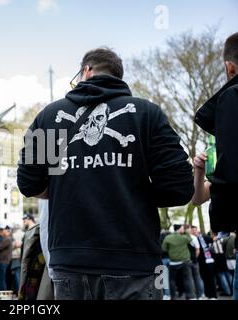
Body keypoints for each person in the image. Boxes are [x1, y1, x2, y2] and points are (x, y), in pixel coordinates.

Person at [17, 48, 194, 300]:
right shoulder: (147, 114)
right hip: (135, 262)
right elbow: (179, 189)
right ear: (118, 77)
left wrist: (66, 183)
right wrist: (128, 190)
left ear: (86, 70)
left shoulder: (49, 117)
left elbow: (28, 184)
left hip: (70, 263)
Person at [194, 32, 238, 300]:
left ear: (229, 67)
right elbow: (198, 197)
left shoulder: (232, 96)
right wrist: (199, 172)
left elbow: (230, 178)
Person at [162, 224, 196, 300]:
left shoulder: (168, 237)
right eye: (182, 228)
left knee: (172, 280)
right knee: (187, 279)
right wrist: (187, 232)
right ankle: (190, 296)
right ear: (179, 229)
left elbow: (164, 249)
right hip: (185, 261)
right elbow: (190, 239)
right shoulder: (183, 237)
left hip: (173, 262)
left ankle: (172, 296)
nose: (183, 229)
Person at [0, 225, 13, 295]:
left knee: (1, 280)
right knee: (2, 279)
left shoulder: (7, 239)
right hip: (4, 261)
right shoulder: (7, 238)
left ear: (7, 231)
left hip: (3, 261)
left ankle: (3, 296)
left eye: (4, 230)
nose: (3, 231)